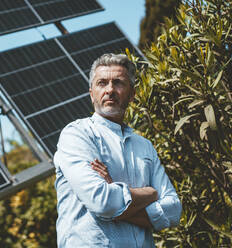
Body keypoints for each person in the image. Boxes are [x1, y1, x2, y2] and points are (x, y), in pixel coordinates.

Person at [54, 53, 182, 247]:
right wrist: (150, 193)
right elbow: (102, 202)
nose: (110, 90)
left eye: (119, 83)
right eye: (102, 83)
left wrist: (116, 196)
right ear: (91, 93)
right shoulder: (77, 135)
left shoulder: (144, 146)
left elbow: (173, 211)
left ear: (132, 94)